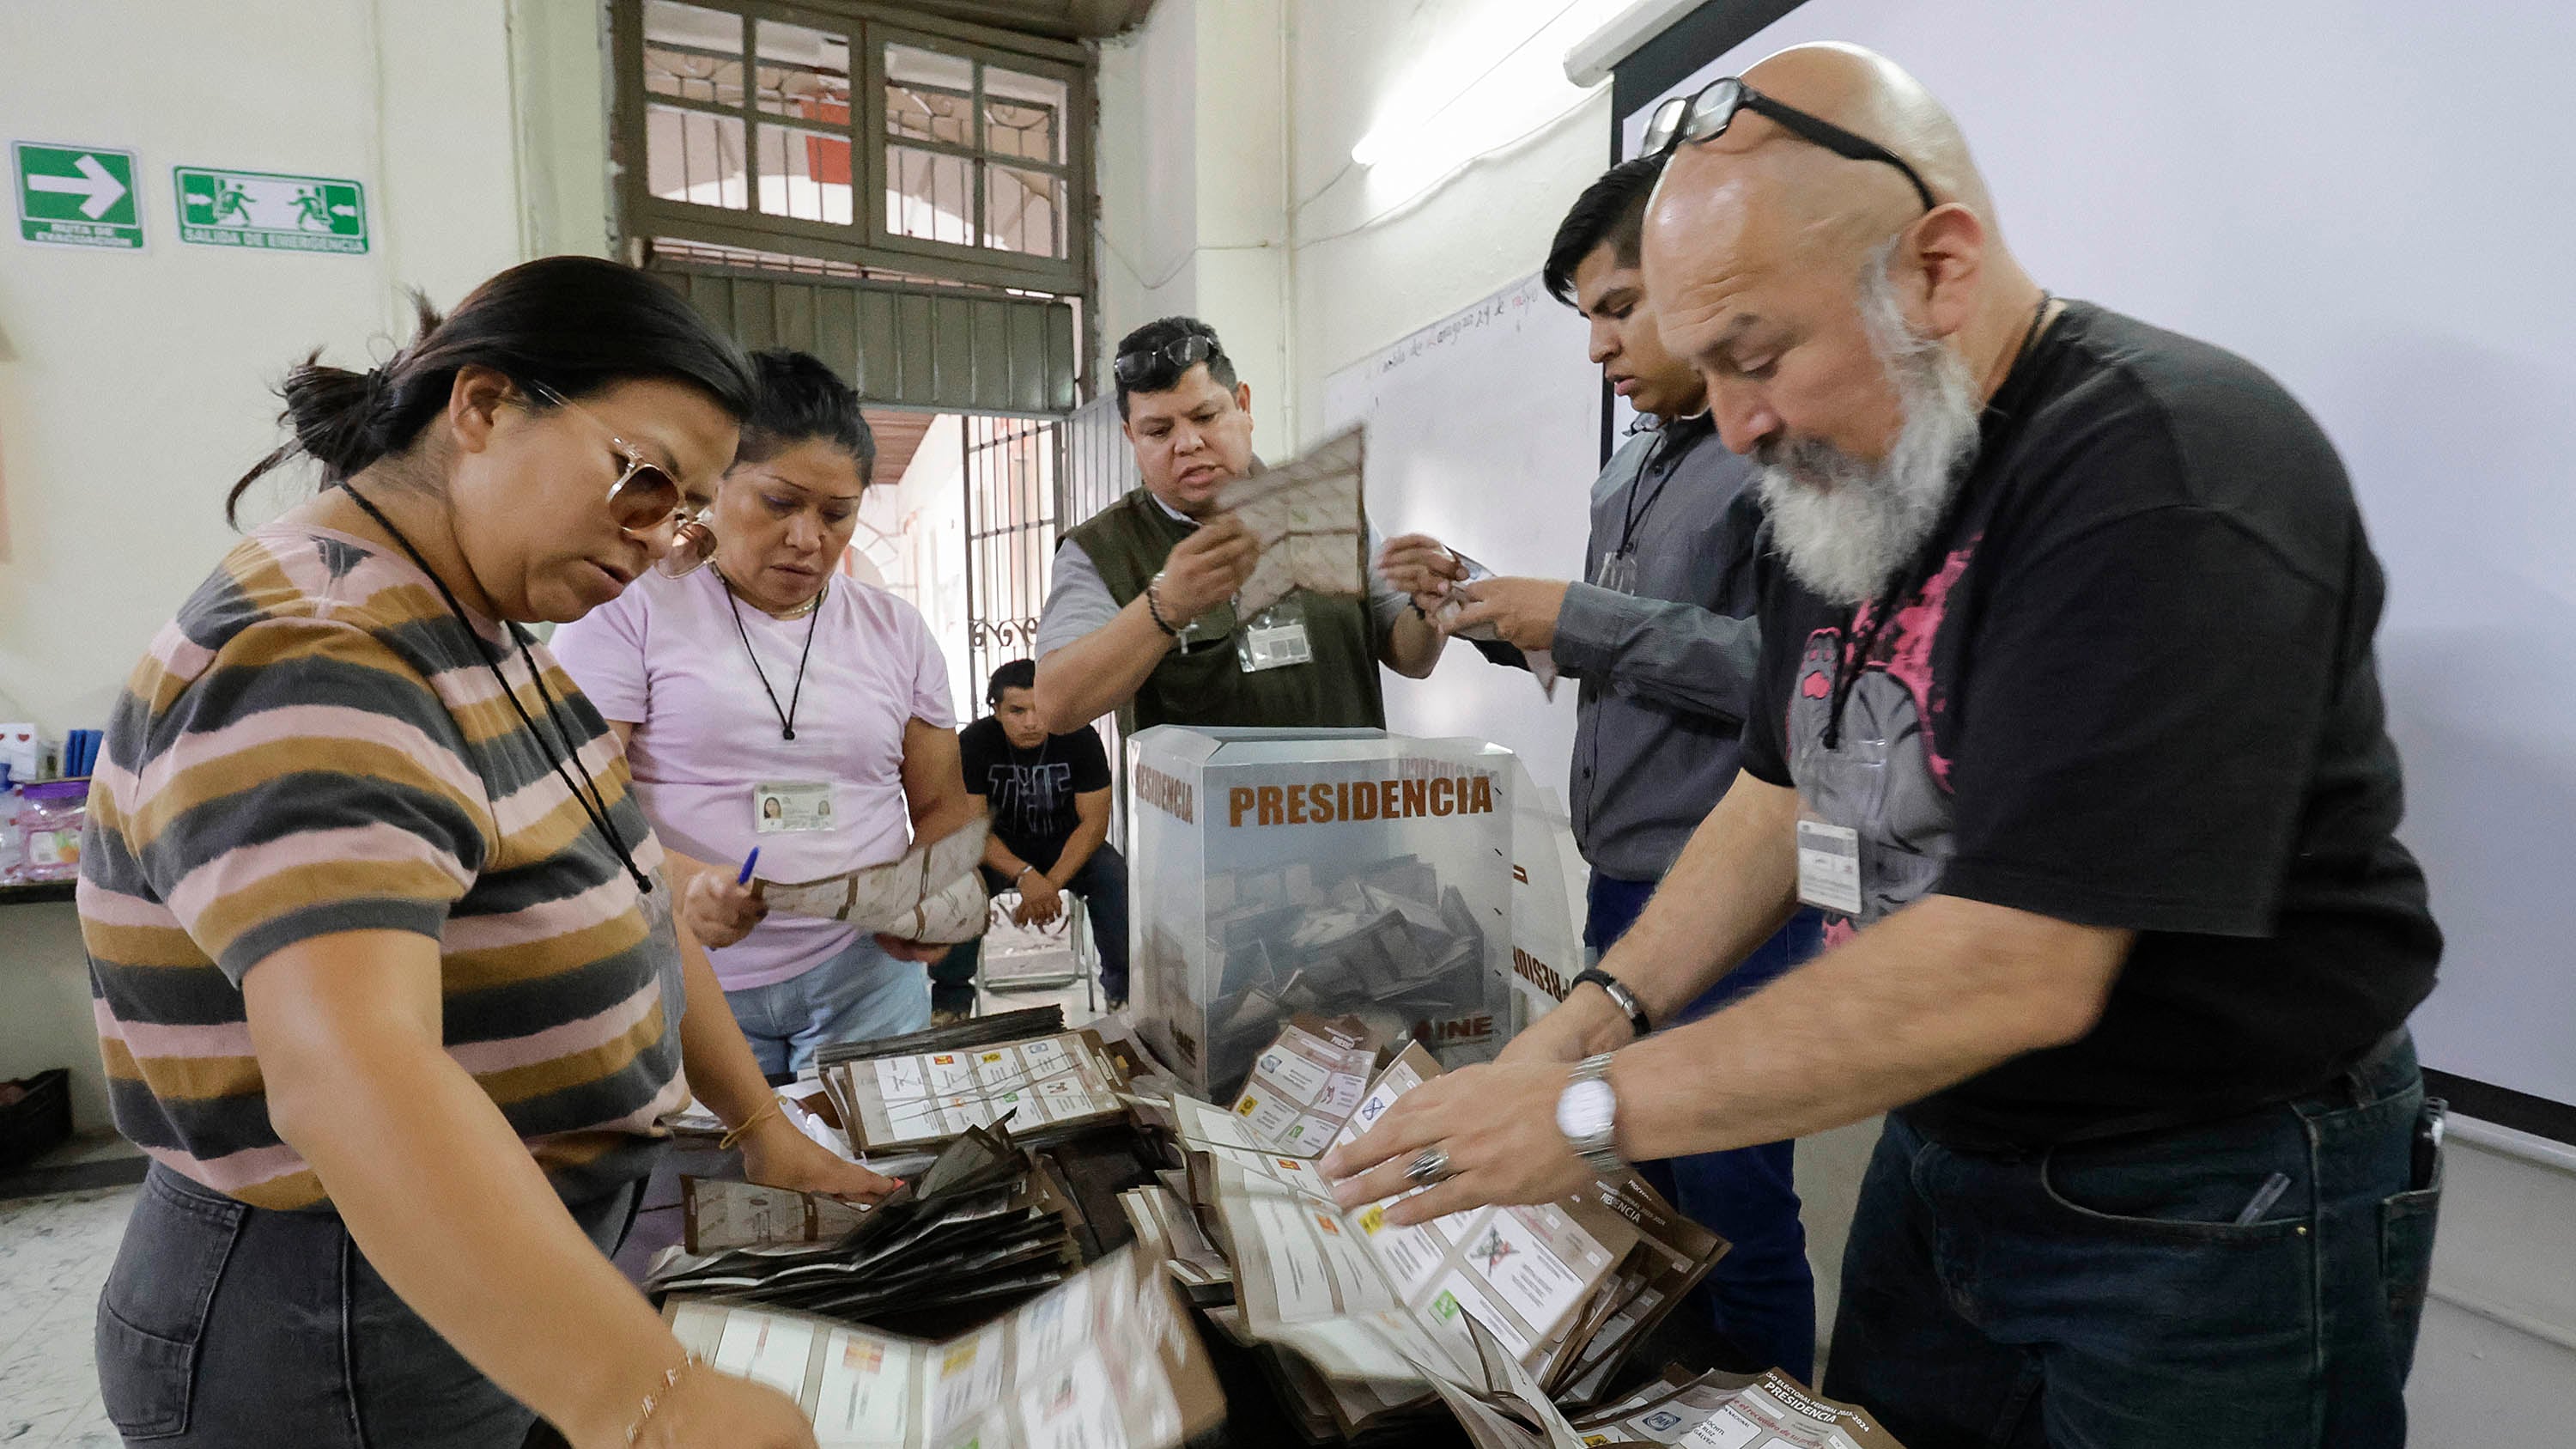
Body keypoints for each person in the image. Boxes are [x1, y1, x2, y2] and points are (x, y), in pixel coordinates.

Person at [1327, 43, 2444, 1449]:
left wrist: (1592, 1110)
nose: (1736, 422)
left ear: (1938, 268)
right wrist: (1576, 1026)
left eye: (1758, 354)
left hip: (2211, 1187)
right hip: (1952, 1145)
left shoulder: (2160, 473)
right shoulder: (1846, 470)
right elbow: (1773, 793)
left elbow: (2014, 961)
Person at [79, 257, 890, 1449]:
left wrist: (760, 1126)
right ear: (484, 405)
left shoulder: (481, 626)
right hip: (339, 1310)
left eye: (684, 511)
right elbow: (351, 1069)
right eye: (645, 477)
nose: (662, 538)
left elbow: (639, 895)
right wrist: (645, 1396)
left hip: (472, 1272)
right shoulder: (320, 647)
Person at [1375, 153, 1820, 1379]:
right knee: (1636, 1183)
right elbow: (1623, 657)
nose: (1599, 348)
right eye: (1588, 319)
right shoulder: (1627, 465)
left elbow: (1782, 676)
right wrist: (1492, 610)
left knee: (1736, 1197)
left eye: (1620, 307)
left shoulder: (1773, 455)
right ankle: (1671, 1395)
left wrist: (1573, 614)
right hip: (1622, 878)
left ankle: (1756, 1404)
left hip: (1734, 890)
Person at [552, 349, 975, 1076]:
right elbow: (578, 802)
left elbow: (942, 802)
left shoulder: (895, 631)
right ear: (715, 485)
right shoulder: (630, 607)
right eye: (780, 503)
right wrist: (684, 883)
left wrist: (932, 886)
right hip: (684, 973)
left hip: (863, 976)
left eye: (837, 514)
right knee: (722, 1178)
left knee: (873, 1180)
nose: (809, 538)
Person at [1030, 316, 1446, 734]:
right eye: (1158, 431)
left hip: (1342, 796)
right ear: (1131, 438)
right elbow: (1056, 708)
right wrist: (1163, 609)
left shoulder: (1327, 509)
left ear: (1243, 406)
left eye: (1206, 417)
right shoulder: (1103, 549)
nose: (1188, 443)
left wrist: (1428, 607)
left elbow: (1412, 658)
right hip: (1210, 801)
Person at [935, 660, 1132, 1019]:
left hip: (1067, 845)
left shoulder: (1080, 736)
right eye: (1017, 711)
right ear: (995, 711)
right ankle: (951, 1002)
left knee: (1113, 876)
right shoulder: (974, 743)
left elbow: (1093, 823)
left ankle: (1123, 994)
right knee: (957, 884)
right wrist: (1025, 875)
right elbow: (973, 828)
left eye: (1039, 709)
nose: (1031, 721)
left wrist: (1048, 884)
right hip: (998, 848)